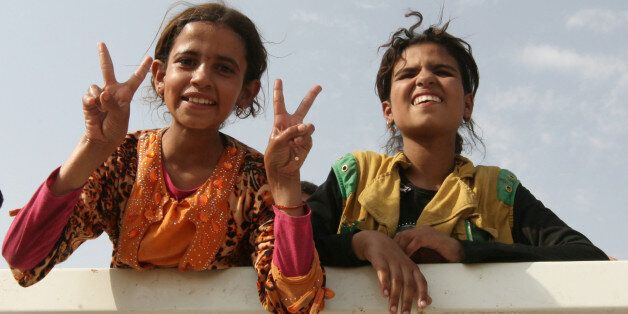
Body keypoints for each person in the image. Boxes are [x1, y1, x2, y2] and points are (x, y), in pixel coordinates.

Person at [2, 3, 328, 312]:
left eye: (224, 68)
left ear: (247, 92)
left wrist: (285, 185)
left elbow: (293, 302)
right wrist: (91, 148)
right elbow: (24, 261)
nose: (200, 77)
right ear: (159, 76)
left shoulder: (258, 179)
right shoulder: (123, 159)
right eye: (187, 61)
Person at [305, 11, 609, 314]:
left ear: (467, 104)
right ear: (388, 111)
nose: (424, 78)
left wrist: (463, 250)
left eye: (441, 71)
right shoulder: (354, 176)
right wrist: (361, 244)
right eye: (408, 74)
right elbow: (289, 253)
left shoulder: (497, 191)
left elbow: (586, 257)